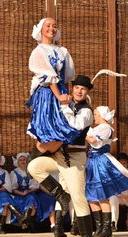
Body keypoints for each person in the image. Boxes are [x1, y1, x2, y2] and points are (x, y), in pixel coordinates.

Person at [28, 75, 94, 237]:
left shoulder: (86, 111)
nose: (79, 91)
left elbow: (74, 126)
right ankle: (60, 195)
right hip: (58, 156)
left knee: (79, 197)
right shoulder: (67, 103)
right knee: (33, 166)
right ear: (73, 88)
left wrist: (64, 105)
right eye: (77, 87)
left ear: (87, 92)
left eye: (83, 89)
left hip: (74, 159)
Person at [26, 17, 79, 153]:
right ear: (41, 29)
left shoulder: (63, 51)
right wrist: (59, 96)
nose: (52, 29)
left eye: (54, 26)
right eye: (48, 26)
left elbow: (67, 76)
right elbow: (49, 77)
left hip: (60, 91)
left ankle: (53, 160)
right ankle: (36, 160)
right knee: (48, 131)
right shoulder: (39, 51)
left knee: (62, 130)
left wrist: (68, 95)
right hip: (47, 94)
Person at [85, 106, 128, 237]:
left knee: (101, 196)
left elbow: (93, 141)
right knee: (91, 197)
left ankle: (107, 228)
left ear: (102, 115)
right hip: (91, 162)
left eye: (96, 114)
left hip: (100, 162)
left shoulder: (106, 128)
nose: (94, 116)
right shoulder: (96, 128)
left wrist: (83, 130)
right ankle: (99, 227)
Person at [10, 152, 39, 232]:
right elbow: (13, 189)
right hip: (18, 194)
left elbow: (35, 186)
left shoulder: (30, 172)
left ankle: (27, 222)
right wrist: (22, 193)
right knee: (21, 202)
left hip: (29, 193)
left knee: (32, 199)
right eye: (21, 160)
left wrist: (28, 191)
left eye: (24, 160)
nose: (23, 162)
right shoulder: (14, 173)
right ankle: (28, 224)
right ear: (17, 162)